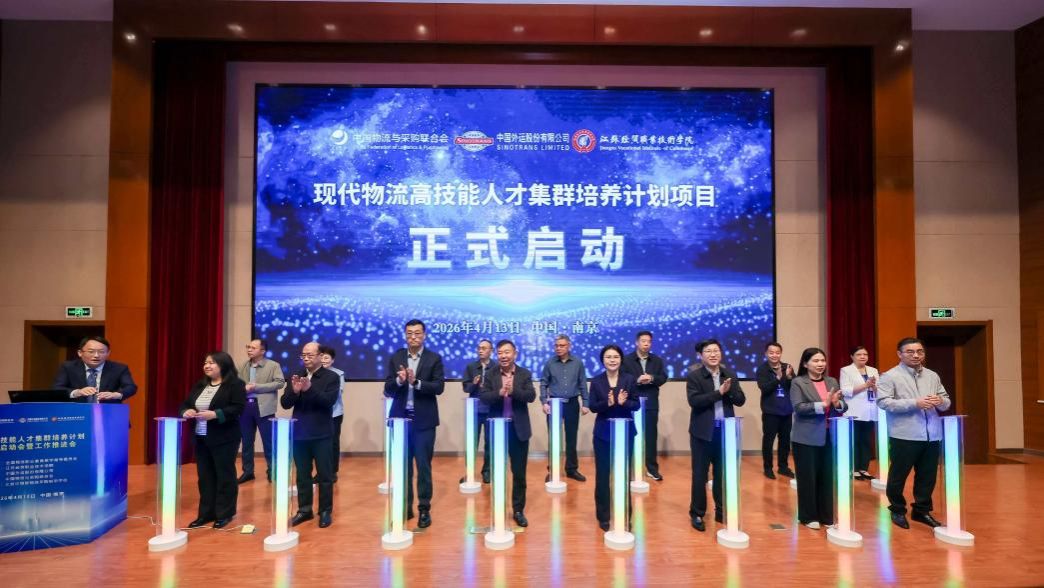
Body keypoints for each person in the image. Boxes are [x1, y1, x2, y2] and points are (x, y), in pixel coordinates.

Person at [877, 337, 951, 530]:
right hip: (904, 434)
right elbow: (883, 402)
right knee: (898, 476)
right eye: (910, 352)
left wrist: (940, 401)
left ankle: (921, 510)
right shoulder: (890, 376)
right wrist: (914, 403)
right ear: (899, 354)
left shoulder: (932, 376)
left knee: (927, 476)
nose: (916, 355)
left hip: (932, 434)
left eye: (920, 351)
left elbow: (946, 401)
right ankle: (897, 509)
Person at [383, 319, 445, 529]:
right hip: (400, 420)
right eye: (409, 333)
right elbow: (388, 388)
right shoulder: (397, 357)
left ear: (424, 335)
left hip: (424, 421)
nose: (413, 337)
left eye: (417, 333)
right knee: (403, 466)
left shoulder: (434, 358)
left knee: (423, 466)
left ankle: (424, 508)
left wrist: (415, 382)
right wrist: (400, 381)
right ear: (405, 335)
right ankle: (405, 506)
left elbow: (439, 387)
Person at [180, 351, 246, 529]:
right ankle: (206, 514)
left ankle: (225, 513)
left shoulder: (235, 384)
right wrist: (186, 411)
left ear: (223, 365)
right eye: (205, 363)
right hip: (201, 438)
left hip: (225, 437)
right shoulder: (200, 385)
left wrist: (216, 414)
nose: (207, 366)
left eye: (211, 363)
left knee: (225, 476)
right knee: (205, 477)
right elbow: (186, 404)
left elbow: (238, 408)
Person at [686, 339, 746, 532]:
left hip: (725, 431)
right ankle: (697, 513)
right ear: (700, 356)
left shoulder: (730, 374)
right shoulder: (695, 376)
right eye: (708, 351)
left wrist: (730, 391)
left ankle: (721, 510)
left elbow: (740, 400)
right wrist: (719, 392)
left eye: (716, 351)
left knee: (722, 473)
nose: (713, 354)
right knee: (700, 475)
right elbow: (695, 401)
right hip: (703, 432)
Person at [281, 341, 340, 529]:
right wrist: (295, 391)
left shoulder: (331, 377)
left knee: (325, 475)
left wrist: (309, 389)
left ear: (320, 356)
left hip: (322, 434)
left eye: (310, 355)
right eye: (303, 355)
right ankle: (304, 510)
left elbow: (328, 402)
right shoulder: (297, 375)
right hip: (299, 433)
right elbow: (285, 403)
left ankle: (325, 511)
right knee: (302, 475)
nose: (306, 358)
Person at [480, 339, 537, 528]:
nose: (503, 356)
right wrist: (499, 393)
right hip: (498, 429)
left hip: (518, 430)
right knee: (497, 472)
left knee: (519, 473)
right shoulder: (490, 374)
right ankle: (498, 508)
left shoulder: (524, 374)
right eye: (500, 353)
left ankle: (518, 510)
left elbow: (531, 396)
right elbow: (484, 397)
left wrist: (513, 391)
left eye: (507, 352)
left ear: (515, 354)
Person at [791, 347, 847, 529]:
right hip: (806, 437)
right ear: (805, 364)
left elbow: (843, 406)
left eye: (822, 360)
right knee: (808, 478)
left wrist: (837, 404)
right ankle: (808, 517)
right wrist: (822, 405)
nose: (820, 364)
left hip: (830, 436)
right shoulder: (798, 382)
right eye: (815, 361)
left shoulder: (832, 381)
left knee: (827, 477)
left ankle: (826, 515)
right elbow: (798, 407)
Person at [589, 344, 640, 531]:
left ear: (621, 359)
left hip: (625, 433)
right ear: (603, 360)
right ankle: (603, 516)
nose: (612, 360)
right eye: (609, 357)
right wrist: (607, 403)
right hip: (603, 434)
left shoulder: (629, 379)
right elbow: (593, 406)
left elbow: (636, 405)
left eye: (616, 357)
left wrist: (624, 403)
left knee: (623, 475)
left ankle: (625, 514)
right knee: (603, 476)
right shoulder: (596, 381)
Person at [540, 334, 590, 482]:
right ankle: (553, 469)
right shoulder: (550, 363)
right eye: (556, 346)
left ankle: (571, 469)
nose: (558, 348)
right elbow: (543, 383)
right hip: (554, 404)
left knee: (571, 438)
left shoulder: (578, 363)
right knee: (554, 438)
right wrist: (544, 402)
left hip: (572, 403)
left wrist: (585, 403)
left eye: (562, 345)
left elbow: (582, 383)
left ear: (569, 346)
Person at [621, 330, 668, 481]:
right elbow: (622, 378)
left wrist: (652, 378)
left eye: (649, 341)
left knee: (651, 437)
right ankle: (629, 468)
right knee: (630, 435)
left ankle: (652, 469)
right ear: (637, 342)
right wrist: (637, 380)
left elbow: (663, 377)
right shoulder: (626, 360)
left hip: (651, 403)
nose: (646, 344)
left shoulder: (657, 360)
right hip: (631, 402)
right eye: (643, 341)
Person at [236, 338, 285, 484]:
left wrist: (257, 387)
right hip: (245, 407)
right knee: (246, 441)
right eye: (248, 347)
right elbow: (236, 384)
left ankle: (272, 471)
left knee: (268, 441)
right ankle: (248, 471)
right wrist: (242, 388)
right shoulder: (243, 365)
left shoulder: (273, 365)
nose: (249, 350)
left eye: (253, 348)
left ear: (262, 351)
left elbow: (280, 383)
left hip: (264, 407)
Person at [53, 336, 138, 403]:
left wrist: (116, 395)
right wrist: (77, 392)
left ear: (108, 353)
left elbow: (131, 387)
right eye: (91, 351)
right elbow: (57, 388)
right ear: (80, 353)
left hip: (108, 412)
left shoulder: (119, 368)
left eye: (101, 352)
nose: (96, 355)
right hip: (77, 412)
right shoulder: (68, 367)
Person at [756, 342, 795, 479]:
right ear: (766, 354)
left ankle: (783, 467)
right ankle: (768, 468)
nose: (774, 355)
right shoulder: (762, 369)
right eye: (771, 352)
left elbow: (794, 386)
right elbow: (764, 388)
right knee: (768, 441)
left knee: (785, 441)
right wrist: (778, 377)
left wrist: (789, 377)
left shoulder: (787, 367)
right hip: (770, 412)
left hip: (786, 411)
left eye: (777, 352)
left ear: (781, 353)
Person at [839, 345, 880, 481]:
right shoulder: (846, 370)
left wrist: (874, 387)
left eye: (865, 354)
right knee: (854, 441)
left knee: (866, 441)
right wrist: (865, 385)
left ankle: (864, 468)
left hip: (870, 411)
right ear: (852, 356)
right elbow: (845, 391)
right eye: (859, 354)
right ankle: (854, 469)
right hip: (854, 410)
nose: (863, 357)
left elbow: (879, 390)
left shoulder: (873, 370)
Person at [460, 339, 493, 485]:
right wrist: (474, 384)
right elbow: (466, 388)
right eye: (479, 348)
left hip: (491, 410)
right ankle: (469, 473)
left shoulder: (496, 367)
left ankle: (487, 472)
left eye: (484, 348)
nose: (481, 350)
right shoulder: (471, 367)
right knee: (471, 443)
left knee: (490, 443)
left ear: (491, 351)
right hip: (474, 410)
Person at [318, 345, 345, 482]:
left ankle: (333, 471)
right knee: (319, 444)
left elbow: (337, 393)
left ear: (332, 360)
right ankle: (320, 472)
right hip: (318, 414)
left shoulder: (338, 374)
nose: (323, 360)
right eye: (321, 357)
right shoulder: (313, 373)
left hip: (335, 414)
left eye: (326, 358)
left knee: (333, 443)